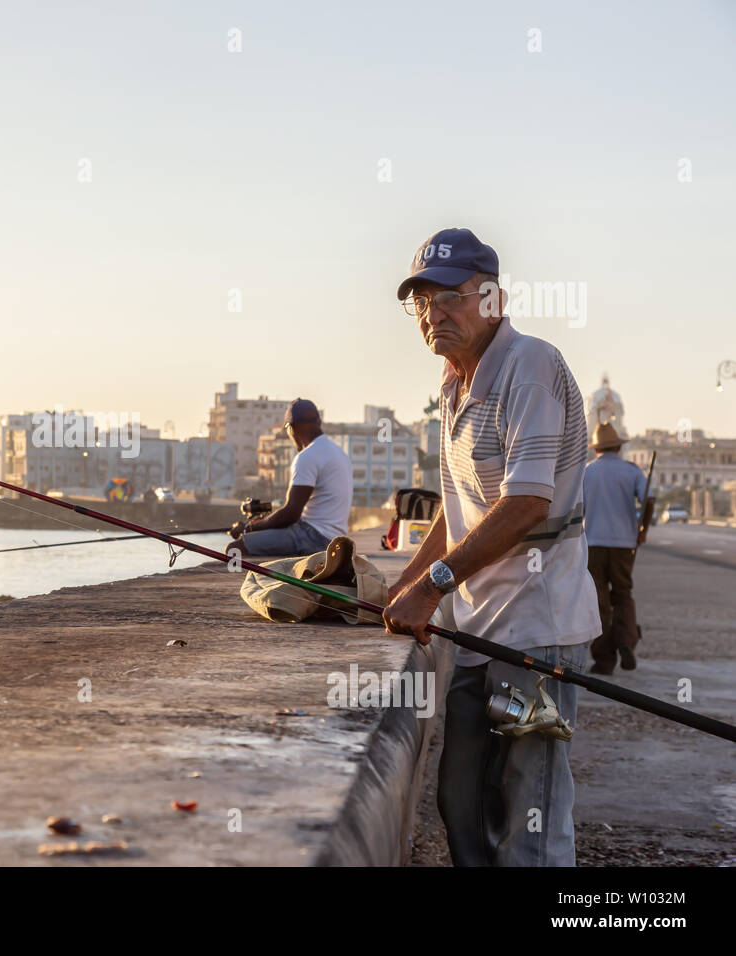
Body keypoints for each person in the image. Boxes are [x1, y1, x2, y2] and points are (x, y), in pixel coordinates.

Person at [382, 227, 600, 867]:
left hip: (538, 636)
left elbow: (526, 504)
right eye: (421, 302)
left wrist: (431, 588)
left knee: (528, 814)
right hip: (477, 631)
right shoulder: (454, 385)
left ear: (492, 300)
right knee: (462, 800)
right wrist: (407, 586)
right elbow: (456, 516)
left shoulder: (528, 366)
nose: (432, 314)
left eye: (448, 298)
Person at [226, 399, 352, 557]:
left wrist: (249, 529)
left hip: (313, 538)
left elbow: (291, 514)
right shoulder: (338, 453)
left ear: (292, 427)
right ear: (319, 422)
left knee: (235, 548)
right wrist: (260, 524)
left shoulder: (308, 456)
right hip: (335, 540)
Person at [583, 421, 651, 674]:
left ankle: (603, 659)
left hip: (593, 543)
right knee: (623, 594)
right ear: (618, 447)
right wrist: (643, 530)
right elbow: (649, 499)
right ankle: (626, 641)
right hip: (624, 544)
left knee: (598, 600)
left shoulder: (587, 471)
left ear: (597, 448)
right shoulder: (631, 471)